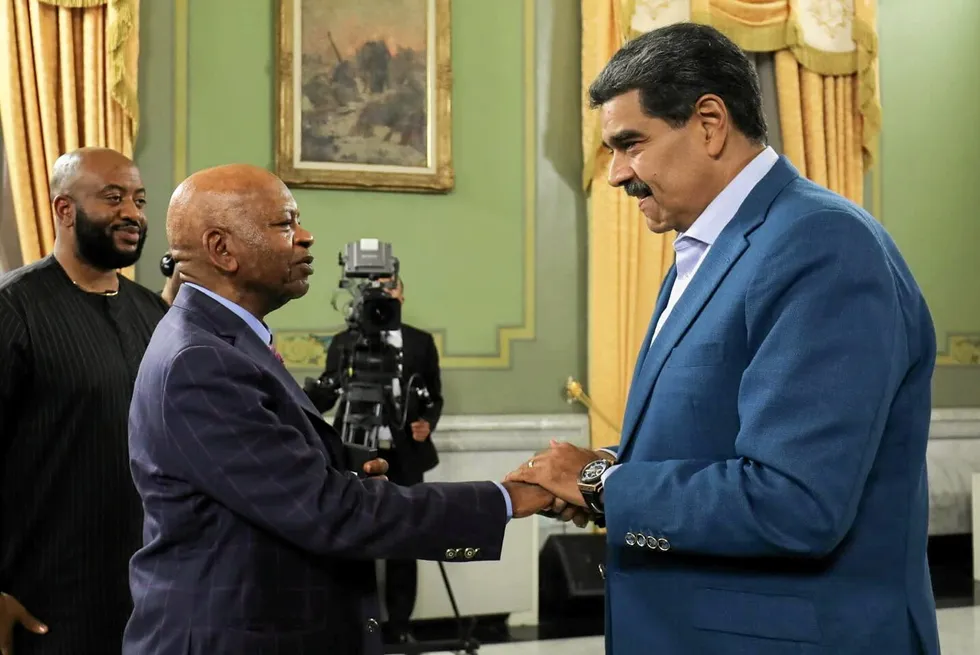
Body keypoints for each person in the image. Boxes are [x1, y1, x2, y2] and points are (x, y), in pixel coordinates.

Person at [508, 23, 939, 655]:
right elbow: (716, 438)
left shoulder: (821, 244)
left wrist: (604, 485)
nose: (617, 174)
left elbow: (797, 505)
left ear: (710, 122)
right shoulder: (716, 248)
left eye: (631, 144)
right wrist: (601, 477)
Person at [123, 163, 555, 655]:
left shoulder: (220, 339)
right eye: (284, 224)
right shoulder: (201, 359)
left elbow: (251, 465)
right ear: (223, 249)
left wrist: (331, 459)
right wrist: (510, 499)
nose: (306, 238)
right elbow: (330, 514)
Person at [0, 147, 174, 655]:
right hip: (46, 603)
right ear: (64, 209)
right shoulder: (14, 309)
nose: (133, 214)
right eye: (113, 197)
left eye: (139, 200)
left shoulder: (153, 314)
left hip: (151, 594)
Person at [307, 275, 443, 645]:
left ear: (403, 292)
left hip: (405, 457)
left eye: (391, 287)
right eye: (376, 287)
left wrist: (425, 423)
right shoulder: (345, 342)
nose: (384, 295)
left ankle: (400, 624)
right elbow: (324, 395)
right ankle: (356, 622)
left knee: (406, 540)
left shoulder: (420, 342)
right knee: (351, 535)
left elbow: (433, 396)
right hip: (353, 451)